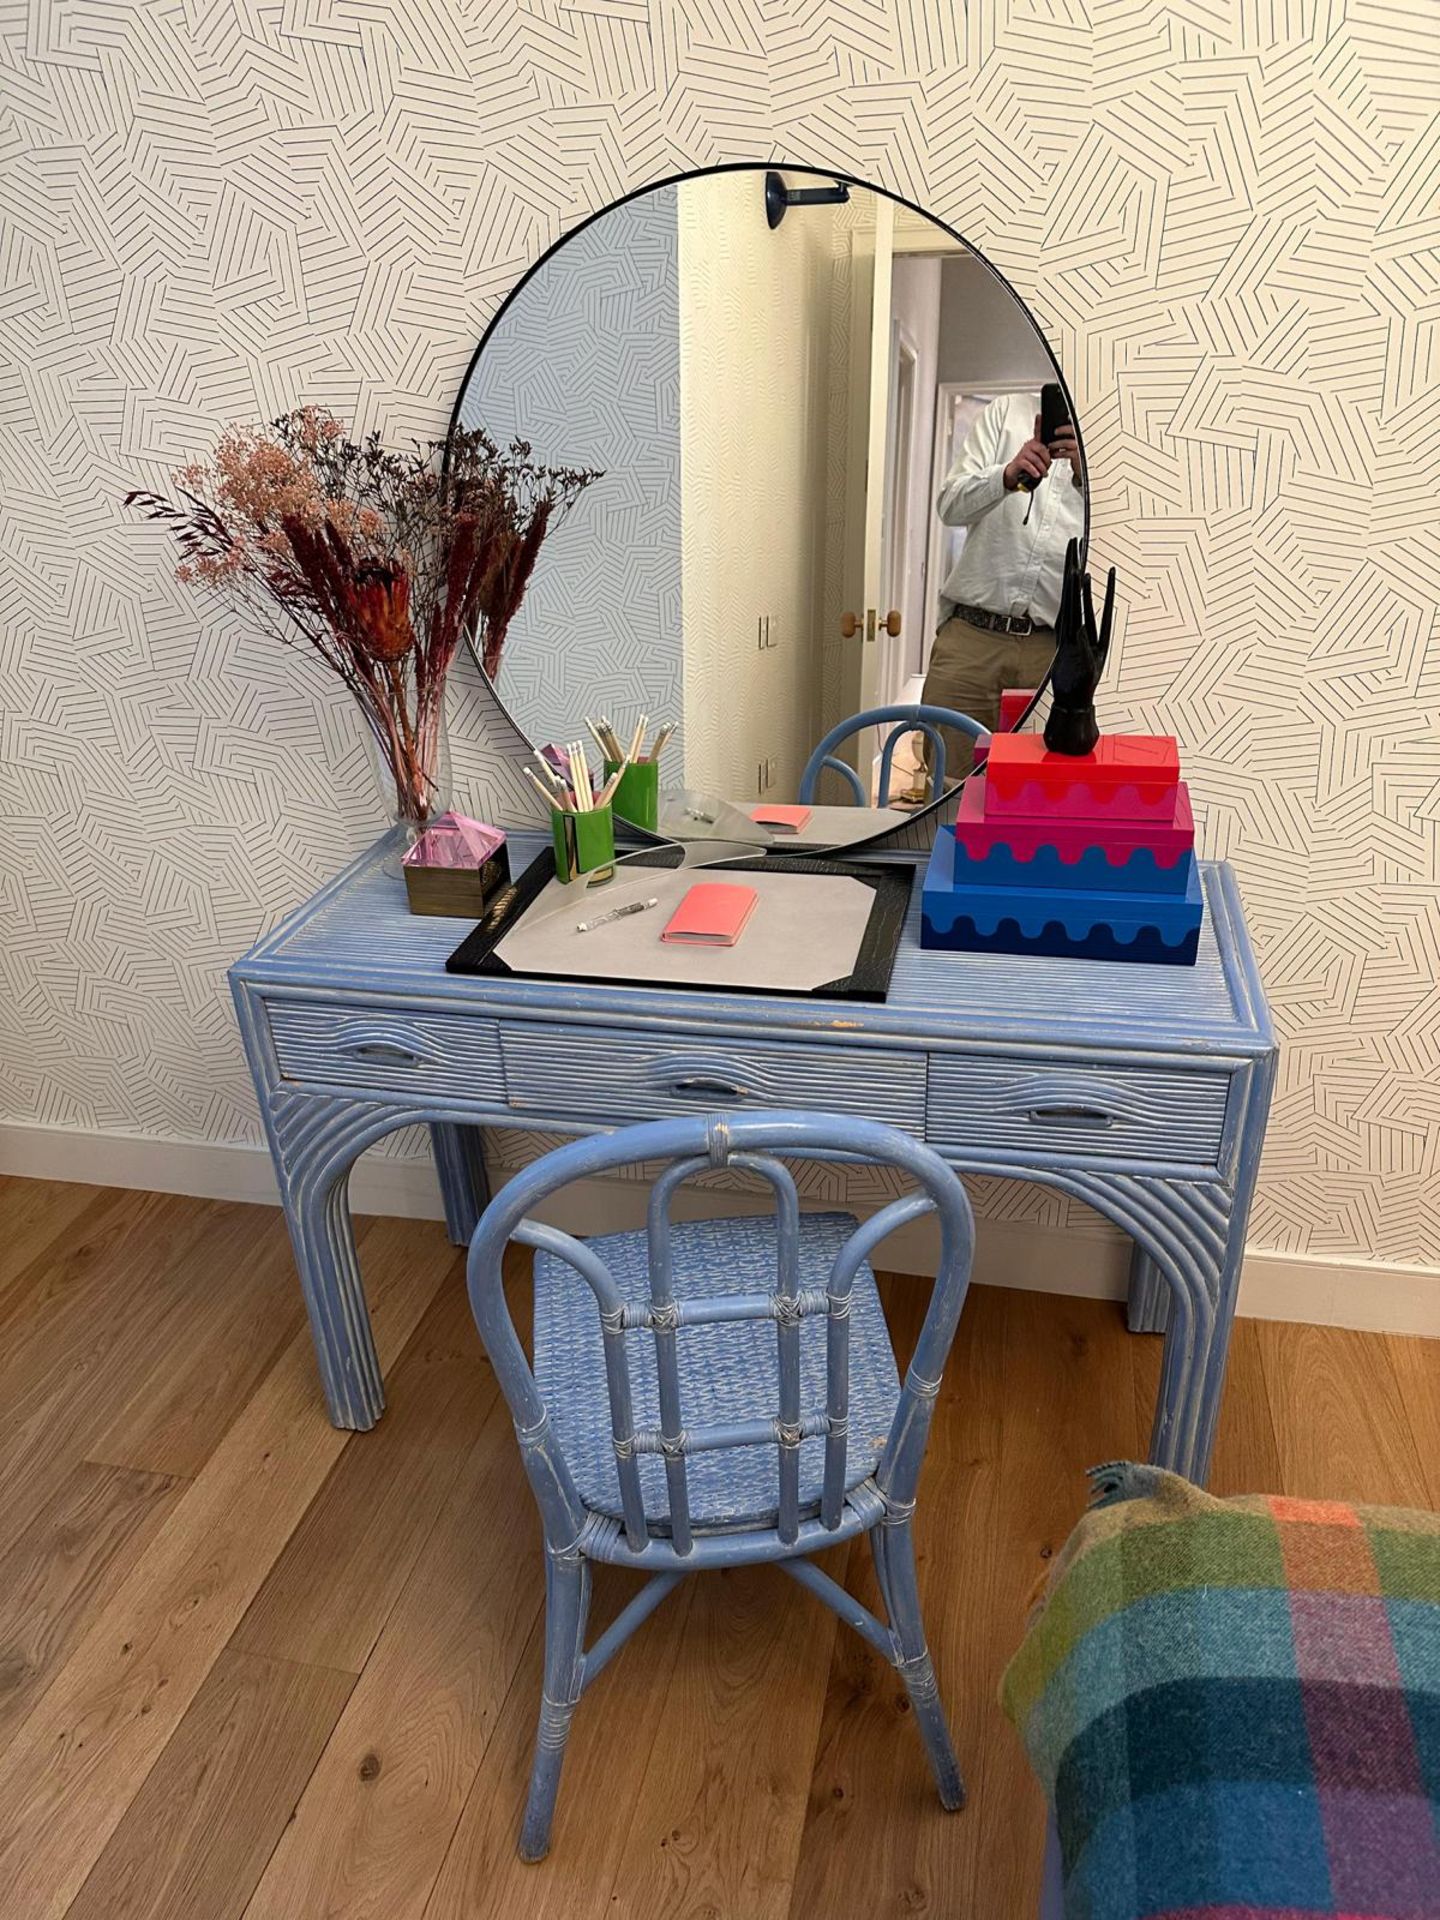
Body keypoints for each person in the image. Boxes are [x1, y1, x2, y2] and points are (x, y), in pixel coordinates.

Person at [919, 390, 1085, 785]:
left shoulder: (1116, 447)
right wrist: (1006, 476)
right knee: (946, 788)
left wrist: (1087, 481)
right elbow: (949, 505)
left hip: (1051, 653)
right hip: (970, 643)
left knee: (1035, 793)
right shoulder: (1005, 412)